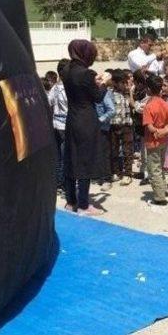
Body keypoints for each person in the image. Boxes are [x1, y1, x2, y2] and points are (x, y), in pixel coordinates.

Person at [61, 39, 109, 215]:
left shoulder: (65, 70)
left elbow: (79, 87)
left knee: (71, 158)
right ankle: (83, 205)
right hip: (86, 119)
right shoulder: (87, 74)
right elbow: (97, 97)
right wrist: (104, 83)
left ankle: (70, 200)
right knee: (85, 161)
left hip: (72, 118)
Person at [143, 75, 168, 206]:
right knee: (160, 168)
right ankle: (164, 190)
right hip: (163, 141)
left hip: (152, 142)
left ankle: (160, 197)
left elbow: (149, 125)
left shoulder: (148, 106)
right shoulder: (166, 104)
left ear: (148, 89)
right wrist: (163, 131)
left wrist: (156, 132)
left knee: (153, 170)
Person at [109, 70, 135, 185]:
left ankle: (128, 174)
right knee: (114, 150)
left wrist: (129, 93)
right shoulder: (109, 93)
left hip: (126, 125)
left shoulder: (128, 93)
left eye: (125, 82)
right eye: (121, 83)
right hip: (114, 125)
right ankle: (116, 172)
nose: (123, 85)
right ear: (114, 82)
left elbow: (133, 105)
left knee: (127, 150)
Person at [48, 60, 69, 191]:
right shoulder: (65, 88)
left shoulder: (54, 88)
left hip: (55, 123)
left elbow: (48, 102)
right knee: (65, 156)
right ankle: (62, 183)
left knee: (58, 157)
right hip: (65, 125)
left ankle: (57, 182)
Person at [94, 72, 115, 191]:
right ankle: (100, 176)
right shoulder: (95, 93)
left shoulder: (106, 94)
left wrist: (99, 120)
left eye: (99, 79)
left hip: (103, 127)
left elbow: (111, 111)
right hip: (95, 128)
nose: (97, 81)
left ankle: (107, 179)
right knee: (98, 152)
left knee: (104, 153)